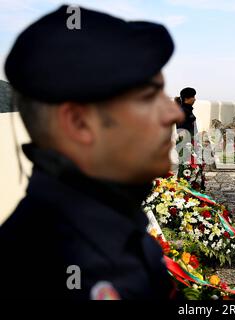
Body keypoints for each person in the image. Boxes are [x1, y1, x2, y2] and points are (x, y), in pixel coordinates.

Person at [0, 5, 185, 299]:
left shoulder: (121, 236)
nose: (174, 113)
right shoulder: (33, 272)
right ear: (78, 122)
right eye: (149, 96)